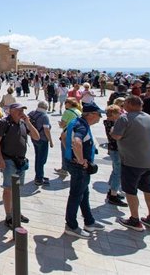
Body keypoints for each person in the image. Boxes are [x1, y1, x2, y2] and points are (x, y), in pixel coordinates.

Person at [112, 96, 150, 232]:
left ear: (130, 104)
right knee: (149, 189)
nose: (123, 106)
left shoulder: (125, 118)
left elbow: (116, 136)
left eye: (125, 103)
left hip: (132, 161)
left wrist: (112, 130)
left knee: (130, 191)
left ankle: (134, 219)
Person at [63, 102, 105, 239]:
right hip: (80, 167)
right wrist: (81, 160)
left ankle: (89, 221)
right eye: (99, 115)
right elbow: (77, 142)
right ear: (91, 115)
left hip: (74, 163)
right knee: (76, 195)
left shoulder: (75, 122)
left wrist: (69, 154)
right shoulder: (81, 126)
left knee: (83, 194)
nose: (100, 118)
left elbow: (63, 137)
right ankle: (71, 225)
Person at [0, 103, 40, 229]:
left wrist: (28, 122)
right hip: (8, 160)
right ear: (11, 111)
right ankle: (9, 216)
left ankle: (17, 212)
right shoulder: (4, 123)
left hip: (21, 161)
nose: (21, 112)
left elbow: (36, 136)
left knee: (18, 189)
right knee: (8, 188)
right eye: (19, 110)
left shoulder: (23, 123)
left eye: (22, 110)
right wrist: (0, 159)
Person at [103, 105, 127, 206]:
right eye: (118, 113)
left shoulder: (109, 122)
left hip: (113, 149)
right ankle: (113, 194)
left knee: (115, 170)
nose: (120, 114)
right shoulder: (113, 123)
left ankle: (112, 191)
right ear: (113, 114)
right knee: (118, 172)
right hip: (116, 149)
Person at [29, 101, 53, 186]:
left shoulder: (32, 113)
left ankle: (39, 175)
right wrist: (51, 141)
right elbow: (46, 130)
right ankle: (39, 178)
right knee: (42, 159)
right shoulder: (44, 116)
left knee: (38, 157)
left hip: (34, 138)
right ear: (46, 108)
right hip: (43, 140)